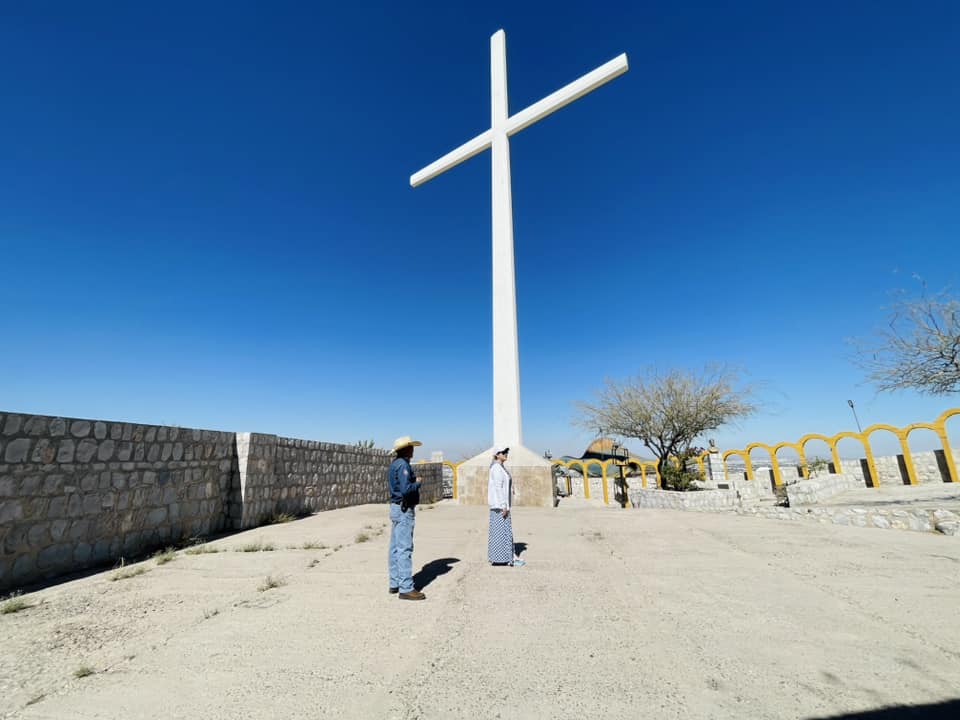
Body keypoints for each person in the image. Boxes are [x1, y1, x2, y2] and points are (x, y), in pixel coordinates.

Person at [387, 436, 426, 600]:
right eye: (410, 447)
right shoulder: (403, 465)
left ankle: (394, 583)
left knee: (395, 547)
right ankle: (406, 588)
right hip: (403, 509)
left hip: (395, 508)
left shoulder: (394, 464)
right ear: (405, 449)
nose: (413, 450)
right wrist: (417, 483)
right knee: (404, 548)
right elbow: (405, 489)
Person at [488, 447, 524, 567]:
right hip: (499, 506)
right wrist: (503, 505)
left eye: (506, 452)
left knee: (504, 532)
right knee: (501, 532)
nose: (506, 454)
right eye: (503, 453)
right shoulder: (496, 468)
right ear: (497, 455)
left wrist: (510, 490)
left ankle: (508, 556)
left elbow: (504, 484)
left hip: (502, 505)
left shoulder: (500, 467)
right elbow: (498, 487)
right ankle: (504, 558)